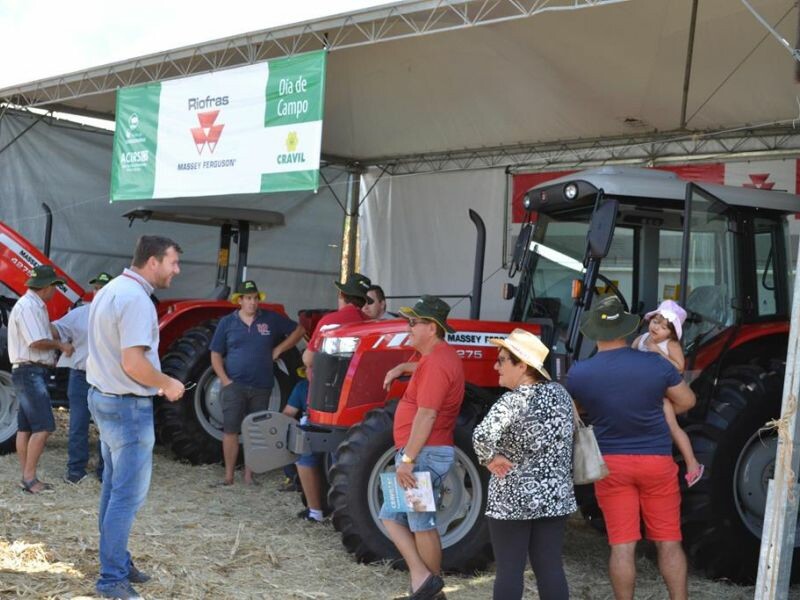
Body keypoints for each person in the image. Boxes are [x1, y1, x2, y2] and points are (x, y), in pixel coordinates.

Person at [566, 296, 696, 600]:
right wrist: (651, 408)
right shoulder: (654, 364)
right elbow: (688, 401)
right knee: (669, 542)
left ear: (594, 333)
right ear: (626, 330)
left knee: (622, 546)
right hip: (657, 461)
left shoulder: (580, 373)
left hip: (610, 465)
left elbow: (572, 413)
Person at [86, 235, 186, 600]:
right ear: (153, 261)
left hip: (104, 399)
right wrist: (167, 384)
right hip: (127, 408)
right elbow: (133, 363)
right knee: (126, 497)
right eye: (173, 262)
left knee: (113, 491)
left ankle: (117, 561)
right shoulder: (137, 301)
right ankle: (112, 579)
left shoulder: (111, 289)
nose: (177, 270)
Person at [472, 328, 576, 600]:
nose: (496, 366)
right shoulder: (560, 395)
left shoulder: (513, 401)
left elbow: (481, 436)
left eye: (503, 360)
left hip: (512, 500)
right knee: (550, 567)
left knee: (509, 570)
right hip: (555, 496)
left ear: (523, 365)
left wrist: (490, 458)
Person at [380, 295, 464, 600]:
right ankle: (425, 582)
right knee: (392, 517)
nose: (409, 327)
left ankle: (429, 586)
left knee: (420, 523)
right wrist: (402, 366)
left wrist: (408, 460)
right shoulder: (433, 358)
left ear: (432, 328)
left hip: (424, 455)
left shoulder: (438, 362)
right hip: (421, 454)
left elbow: (427, 414)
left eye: (414, 322)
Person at [210, 279, 305, 487]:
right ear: (240, 301)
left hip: (262, 386)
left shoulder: (270, 319)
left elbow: (299, 330)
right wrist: (225, 380)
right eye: (248, 299)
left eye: (255, 298)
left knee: (255, 431)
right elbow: (215, 353)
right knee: (231, 430)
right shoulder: (227, 322)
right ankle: (228, 477)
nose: (252, 303)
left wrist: (279, 350)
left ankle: (249, 476)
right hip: (234, 385)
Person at [298, 272, 371, 522]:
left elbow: (308, 358)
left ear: (342, 295)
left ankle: (316, 511)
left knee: (306, 454)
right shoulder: (372, 325)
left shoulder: (330, 321)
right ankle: (345, 514)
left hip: (325, 401)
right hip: (361, 403)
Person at [8, 264, 74, 494]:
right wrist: (60, 345)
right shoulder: (28, 307)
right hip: (31, 371)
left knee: (25, 427)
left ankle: (26, 477)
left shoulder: (33, 306)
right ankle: (29, 479)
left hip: (28, 371)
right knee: (44, 426)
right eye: (55, 286)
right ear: (46, 287)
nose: (56, 291)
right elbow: (35, 342)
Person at [632, 300, 703, 487]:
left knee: (672, 426)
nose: (657, 328)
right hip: (640, 391)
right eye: (656, 322)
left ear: (671, 333)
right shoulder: (641, 339)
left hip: (660, 394)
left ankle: (692, 464)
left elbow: (679, 368)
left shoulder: (669, 345)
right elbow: (629, 359)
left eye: (664, 327)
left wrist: (659, 353)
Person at [53, 272, 112, 484]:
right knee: (79, 424)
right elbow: (55, 329)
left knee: (105, 427)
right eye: (96, 288)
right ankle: (76, 471)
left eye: (102, 288)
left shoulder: (116, 314)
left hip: (103, 378)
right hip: (82, 375)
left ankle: (104, 471)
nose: (98, 291)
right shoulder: (80, 313)